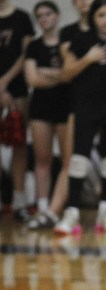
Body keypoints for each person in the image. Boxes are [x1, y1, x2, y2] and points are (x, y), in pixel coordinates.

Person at [54, 0, 106, 235]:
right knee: (78, 158)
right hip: (87, 107)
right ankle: (72, 212)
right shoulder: (80, 39)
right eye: (101, 15)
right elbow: (66, 74)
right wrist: (88, 59)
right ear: (93, 18)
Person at [23, 0, 71, 230]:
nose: (44, 19)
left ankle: (60, 208)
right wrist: (57, 75)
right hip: (40, 108)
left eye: (48, 14)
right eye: (39, 16)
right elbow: (32, 79)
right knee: (42, 160)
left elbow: (69, 75)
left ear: (57, 15)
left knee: (66, 161)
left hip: (64, 106)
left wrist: (48, 73)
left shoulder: (67, 41)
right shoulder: (33, 46)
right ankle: (42, 209)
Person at [0, 0, 35, 220]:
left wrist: (4, 82)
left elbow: (26, 54)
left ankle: (19, 201)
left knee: (19, 143)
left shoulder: (22, 17)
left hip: (18, 89)